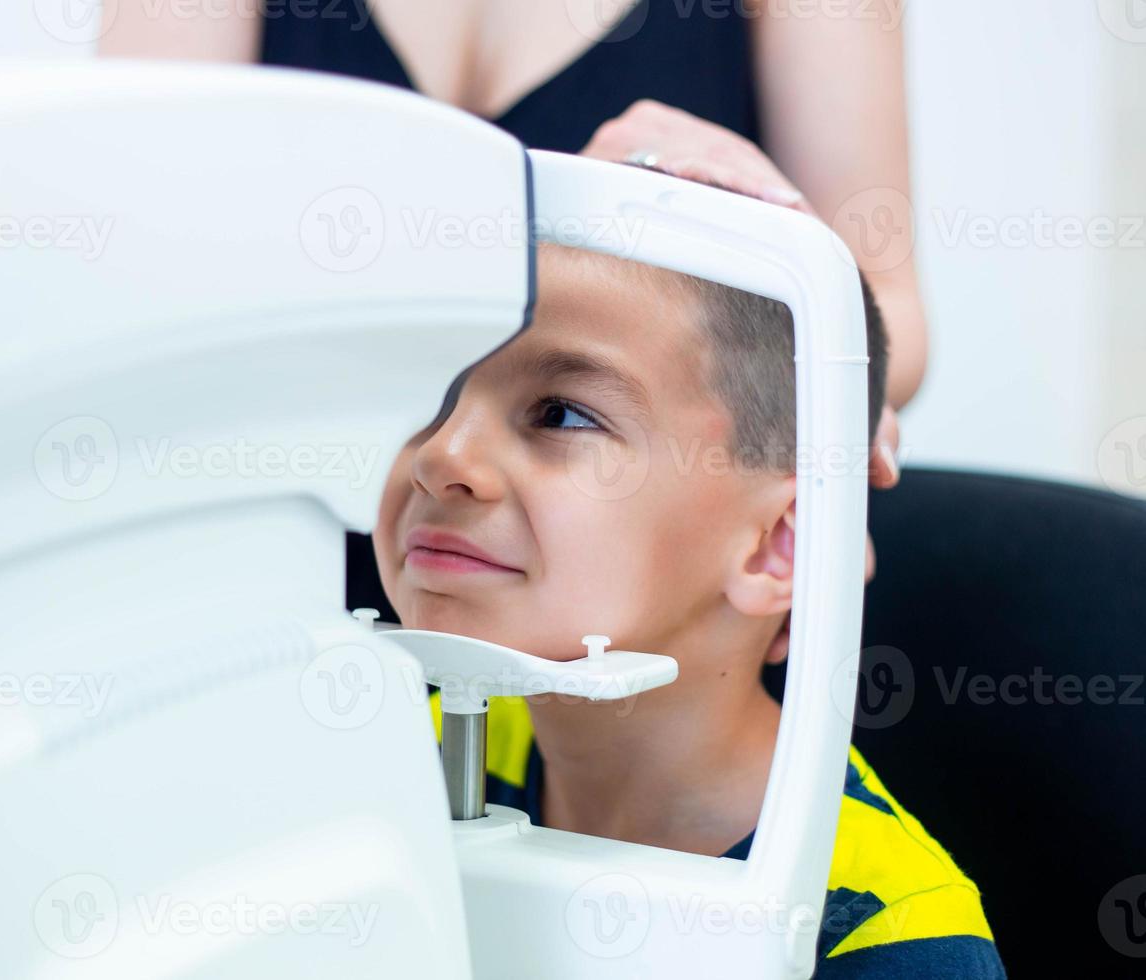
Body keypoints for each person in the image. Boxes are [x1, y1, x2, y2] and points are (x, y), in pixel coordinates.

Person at [370, 241, 1005, 976]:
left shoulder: (887, 937)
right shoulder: (411, 759)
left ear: (779, 548)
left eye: (561, 415)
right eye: (438, 396)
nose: (440, 456)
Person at [99, 0, 920, 487]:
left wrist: (810, 330)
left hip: (602, 565)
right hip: (281, 531)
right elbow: (131, 282)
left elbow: (889, 312)